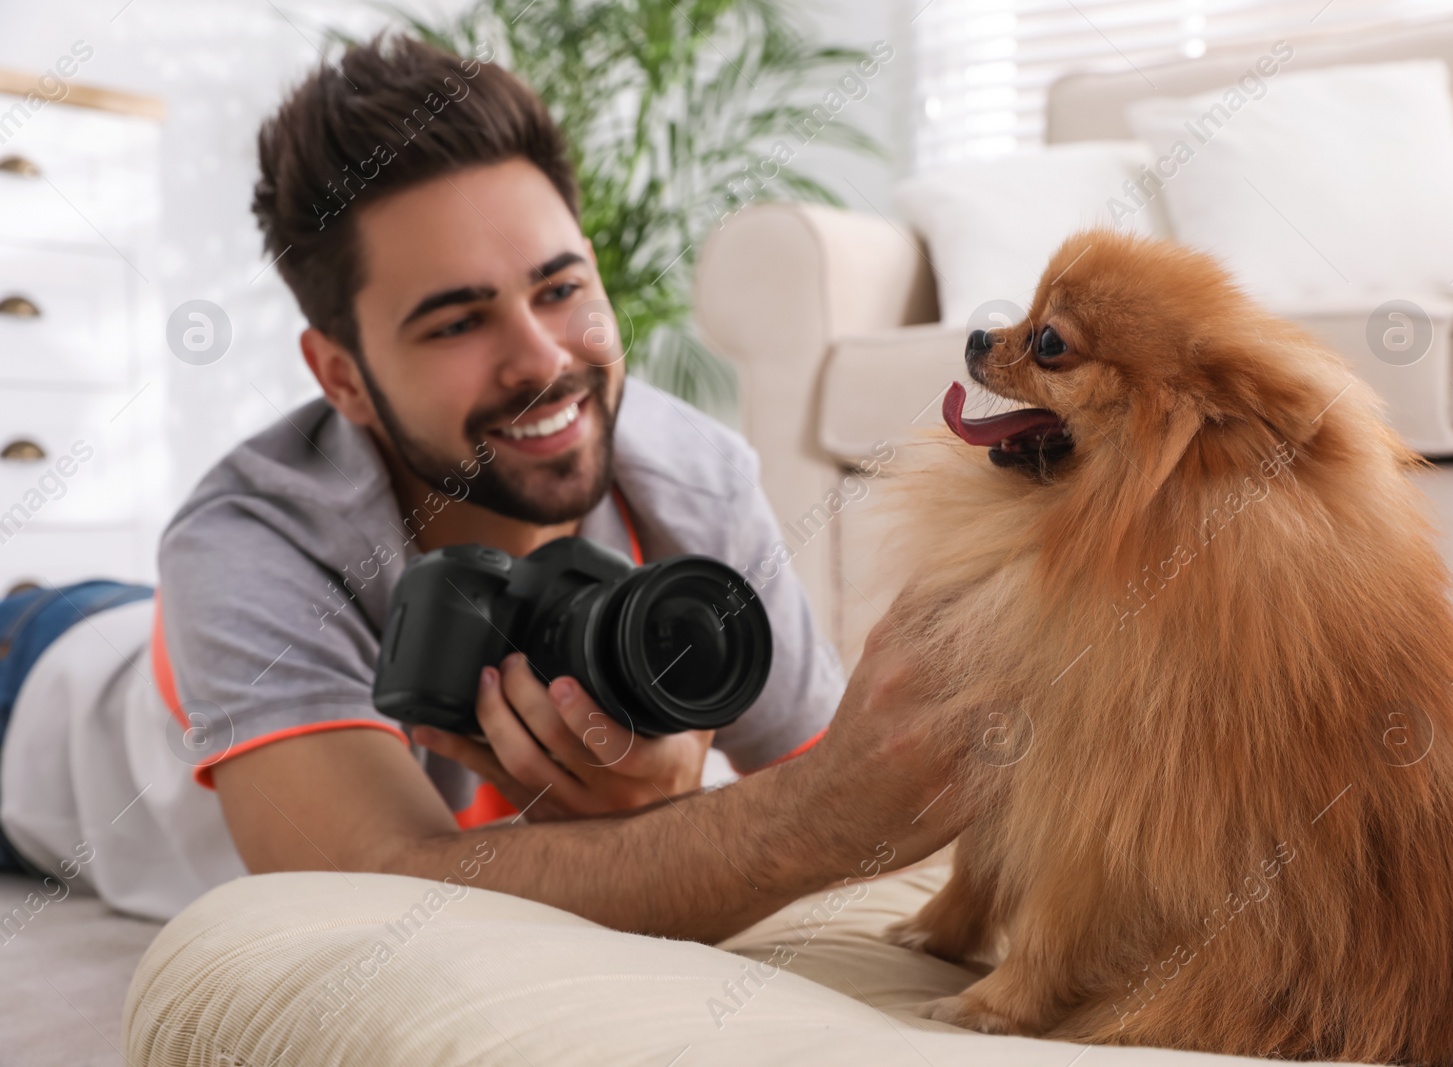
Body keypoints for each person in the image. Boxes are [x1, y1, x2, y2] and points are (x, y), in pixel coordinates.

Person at [0, 35, 968, 940]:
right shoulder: (248, 542)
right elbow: (379, 893)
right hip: (36, 678)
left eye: (559, 288)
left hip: (160, 630)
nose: (544, 360)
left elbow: (831, 781)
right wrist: (756, 825)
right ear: (340, 377)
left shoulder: (689, 480)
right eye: (458, 321)